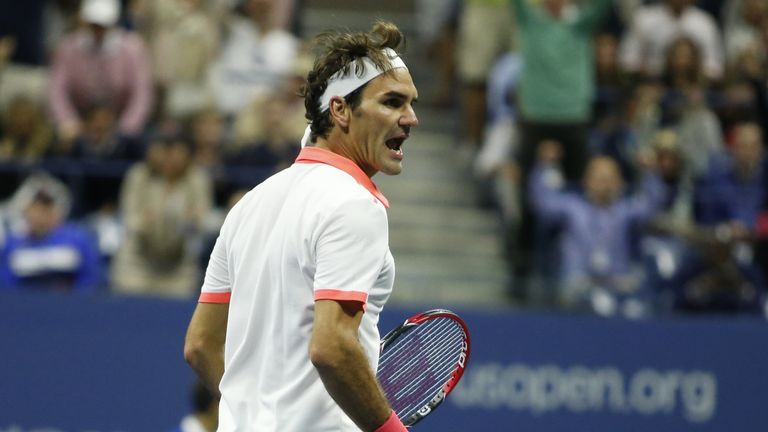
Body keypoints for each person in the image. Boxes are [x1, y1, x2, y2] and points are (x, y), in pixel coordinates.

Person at [183, 21, 418, 431]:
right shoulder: (354, 204)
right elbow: (332, 347)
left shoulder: (249, 204)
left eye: (411, 103)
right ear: (340, 110)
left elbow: (201, 346)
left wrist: (254, 410)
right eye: (392, 102)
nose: (411, 118)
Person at [0, 173, 102, 291]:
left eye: (46, 209)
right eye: (35, 209)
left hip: (69, 300)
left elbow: (89, 279)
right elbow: (6, 284)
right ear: (26, 212)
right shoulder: (13, 243)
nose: (39, 216)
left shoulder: (78, 239)